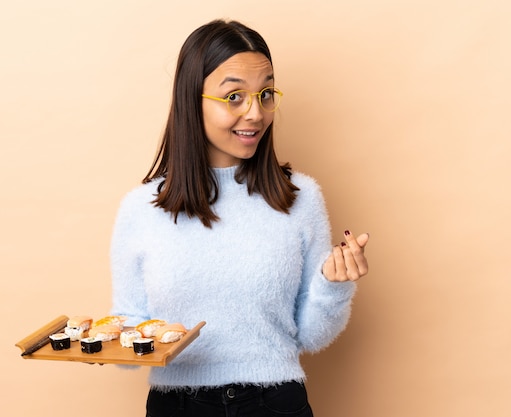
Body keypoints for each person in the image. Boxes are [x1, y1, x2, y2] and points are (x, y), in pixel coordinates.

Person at [109, 19, 369, 417]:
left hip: (275, 403)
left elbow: (311, 337)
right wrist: (108, 341)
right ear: (191, 99)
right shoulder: (141, 209)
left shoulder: (299, 198)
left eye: (265, 93)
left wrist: (334, 287)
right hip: (177, 407)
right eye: (234, 97)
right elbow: (130, 336)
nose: (255, 113)